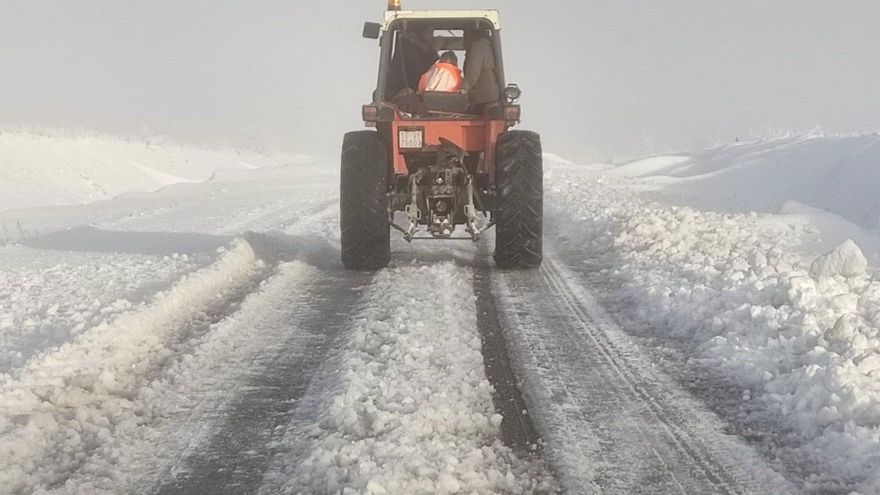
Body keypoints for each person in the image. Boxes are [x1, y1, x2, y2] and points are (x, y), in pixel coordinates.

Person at [385, 26, 438, 99]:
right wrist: (433, 51)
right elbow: (425, 69)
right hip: (400, 94)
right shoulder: (410, 50)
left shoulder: (410, 48)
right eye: (429, 33)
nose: (432, 37)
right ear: (419, 34)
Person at [462, 29, 500, 111]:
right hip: (491, 96)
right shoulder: (487, 46)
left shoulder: (478, 47)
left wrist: (464, 89)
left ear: (470, 34)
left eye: (464, 34)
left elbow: (472, 73)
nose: (464, 38)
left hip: (484, 99)